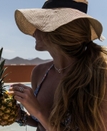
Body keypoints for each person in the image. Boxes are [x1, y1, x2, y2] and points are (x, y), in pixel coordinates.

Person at [8, 0, 107, 131]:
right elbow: (42, 124)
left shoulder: (99, 76)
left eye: (40, 25)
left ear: (56, 32)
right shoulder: (40, 72)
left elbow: (43, 117)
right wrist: (20, 116)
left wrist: (39, 111)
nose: (33, 32)